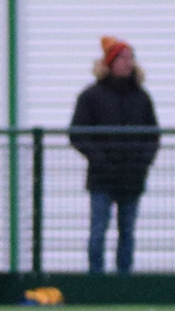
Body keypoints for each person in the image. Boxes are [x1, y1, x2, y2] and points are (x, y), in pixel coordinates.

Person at [67, 37, 159, 275]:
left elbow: (153, 135)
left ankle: (124, 279)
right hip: (102, 177)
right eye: (121, 58)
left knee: (127, 231)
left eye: (130, 58)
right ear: (109, 62)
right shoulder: (90, 96)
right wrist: (99, 158)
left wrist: (143, 161)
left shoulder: (141, 97)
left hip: (132, 175)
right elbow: (77, 133)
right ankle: (96, 280)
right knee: (98, 230)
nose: (127, 63)